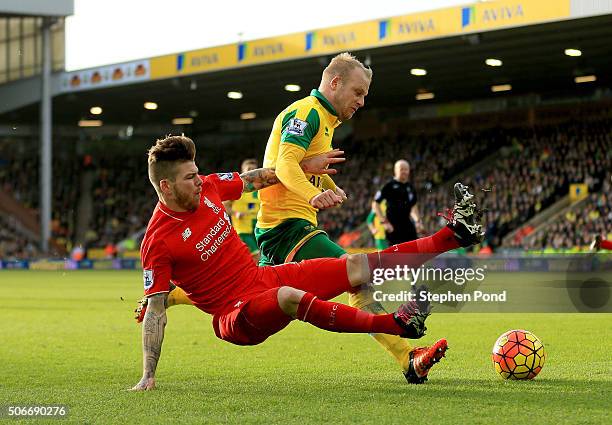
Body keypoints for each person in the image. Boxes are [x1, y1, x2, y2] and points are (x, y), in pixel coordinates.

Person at [130, 135, 485, 391]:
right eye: (189, 177)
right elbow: (156, 309)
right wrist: (148, 374)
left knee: (356, 267)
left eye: (197, 173)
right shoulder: (157, 241)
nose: (198, 181)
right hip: (234, 316)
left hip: (262, 278)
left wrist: (303, 166)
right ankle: (396, 323)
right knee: (287, 295)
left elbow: (260, 178)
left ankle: (454, 235)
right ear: (165, 185)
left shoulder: (208, 187)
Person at [373, 159, 422, 245]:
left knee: (414, 252)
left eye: (406, 169)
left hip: (407, 225)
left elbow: (413, 206)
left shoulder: (410, 188)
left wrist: (418, 221)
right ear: (395, 171)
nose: (404, 171)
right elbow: (375, 203)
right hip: (393, 226)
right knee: (396, 256)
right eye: (401, 169)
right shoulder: (388, 186)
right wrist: (384, 222)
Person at [224, 158, 261, 258]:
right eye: (249, 169)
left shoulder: (260, 189)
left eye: (254, 170)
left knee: (256, 258)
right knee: (257, 256)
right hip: (243, 231)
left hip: (257, 229)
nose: (251, 172)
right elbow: (224, 205)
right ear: (243, 171)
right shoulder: (237, 188)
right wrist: (236, 214)